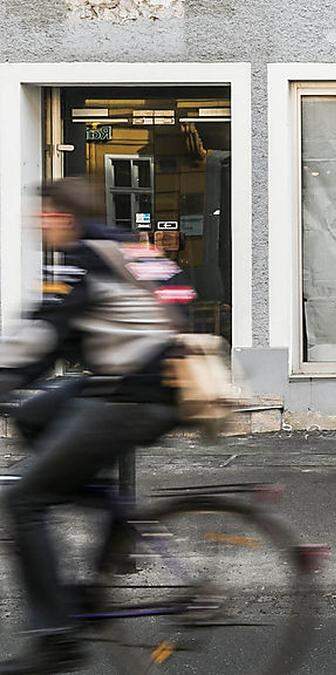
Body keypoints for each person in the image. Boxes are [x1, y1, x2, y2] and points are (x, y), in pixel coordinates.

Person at [0, 178, 182, 673]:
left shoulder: (79, 259)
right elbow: (180, 290)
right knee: (33, 414)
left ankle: (56, 638)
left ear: (61, 216)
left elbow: (43, 336)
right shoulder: (128, 245)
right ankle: (108, 506)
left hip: (130, 396)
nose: (33, 223)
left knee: (22, 498)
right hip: (152, 383)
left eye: (39, 215)